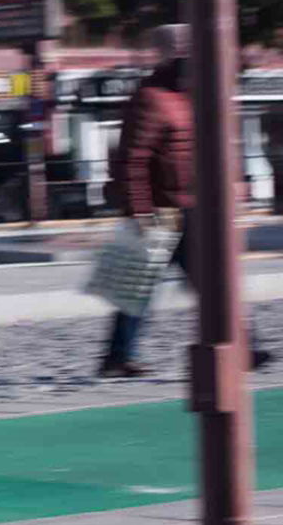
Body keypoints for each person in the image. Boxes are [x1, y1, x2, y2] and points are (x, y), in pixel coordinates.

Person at [99, 24, 269, 377]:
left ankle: (244, 348)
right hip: (158, 210)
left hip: (190, 207)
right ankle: (117, 358)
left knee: (213, 283)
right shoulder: (151, 98)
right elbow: (132, 160)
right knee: (136, 288)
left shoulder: (192, 98)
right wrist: (140, 213)